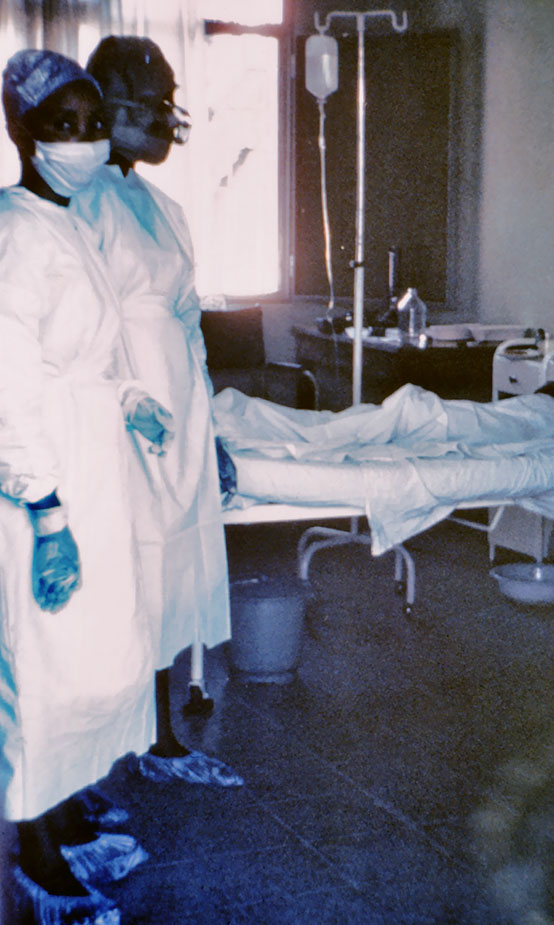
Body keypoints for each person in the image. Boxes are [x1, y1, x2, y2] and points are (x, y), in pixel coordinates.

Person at [0, 49, 179, 923]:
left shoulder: (73, 223)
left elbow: (93, 348)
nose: (83, 139)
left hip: (96, 467)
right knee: (43, 666)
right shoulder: (12, 233)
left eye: (93, 123)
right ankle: (35, 854)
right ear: (21, 131)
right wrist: (45, 513)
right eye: (62, 125)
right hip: (42, 483)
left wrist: (132, 395)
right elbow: (9, 386)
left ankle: (68, 818)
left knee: (91, 661)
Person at [71, 36, 238, 784]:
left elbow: (190, 326)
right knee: (121, 579)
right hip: (118, 414)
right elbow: (78, 331)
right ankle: (94, 762)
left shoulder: (163, 207)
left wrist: (211, 434)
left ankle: (162, 738)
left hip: (181, 408)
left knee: (168, 573)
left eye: (170, 102)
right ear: (108, 104)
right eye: (153, 102)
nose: (166, 119)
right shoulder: (73, 202)